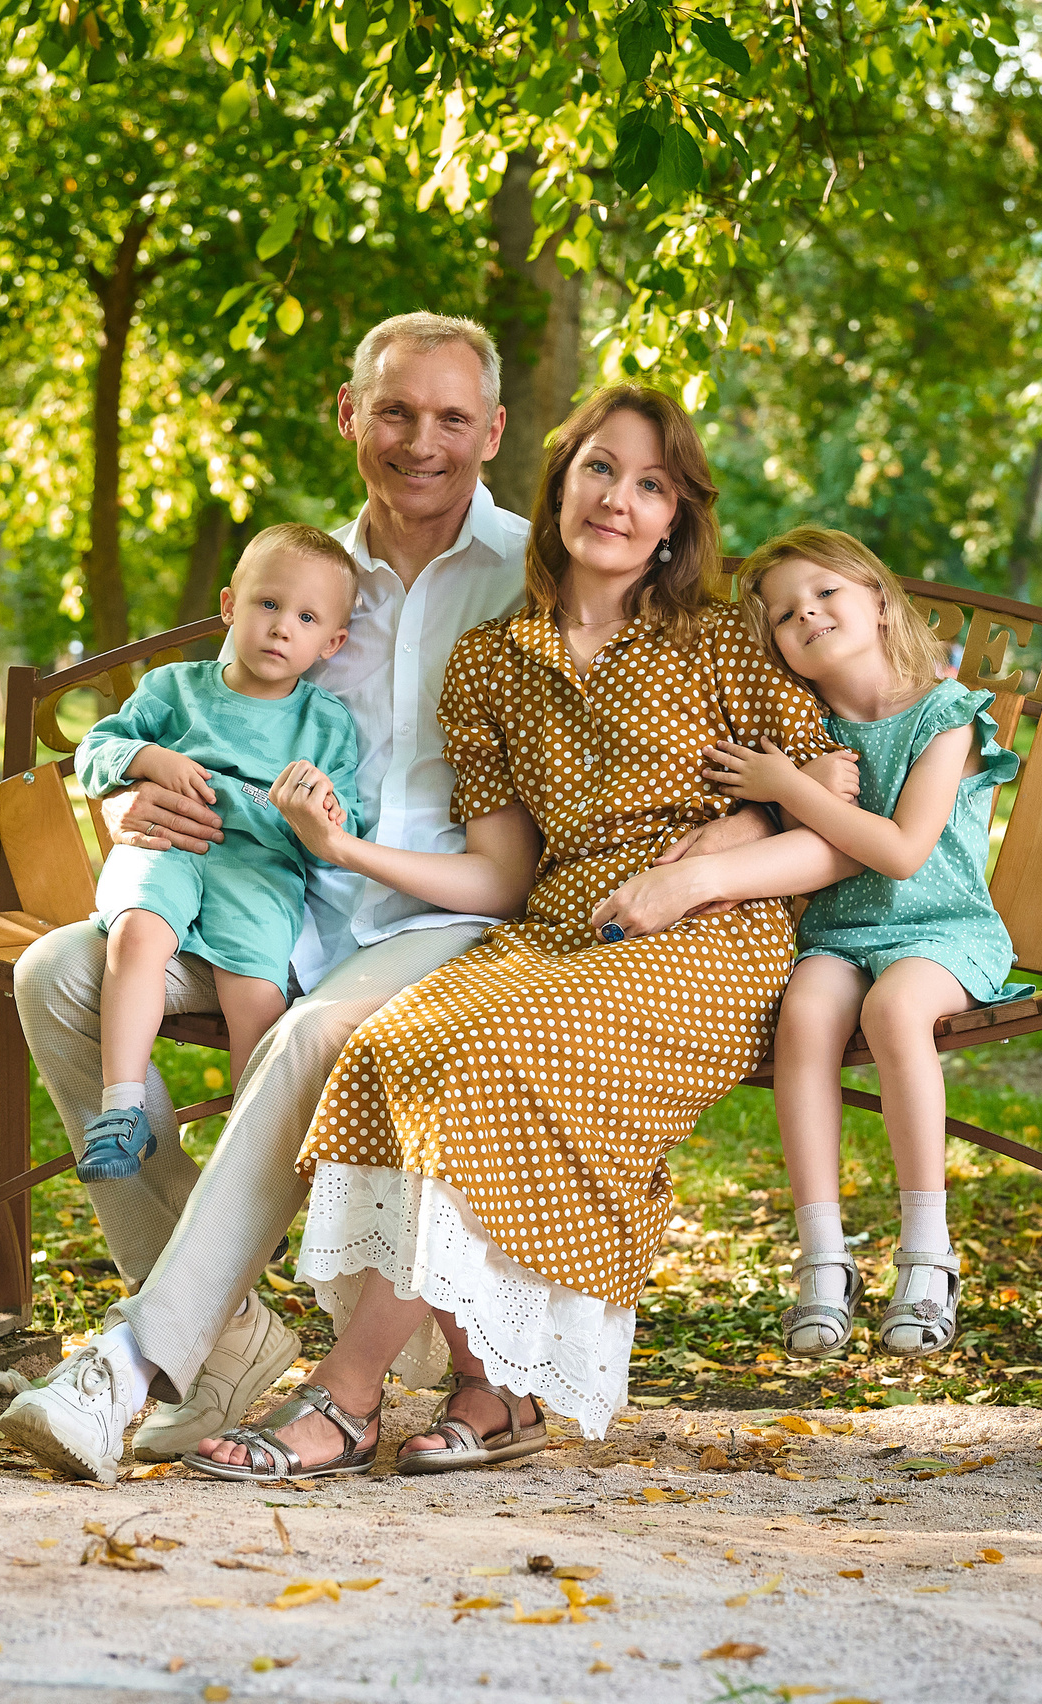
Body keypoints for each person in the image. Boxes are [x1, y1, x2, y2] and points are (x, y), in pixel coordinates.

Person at [0, 315, 783, 1483]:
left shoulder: (533, 572)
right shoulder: (302, 577)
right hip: (270, 896)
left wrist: (727, 842)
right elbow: (201, 715)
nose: (423, 442)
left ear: (495, 432)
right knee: (55, 974)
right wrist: (136, 799)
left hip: (446, 924)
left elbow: (675, 741)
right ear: (348, 414)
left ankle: (136, 1362)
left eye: (453, 418)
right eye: (396, 412)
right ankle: (223, 1330)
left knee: (315, 1033)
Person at [183, 385, 849, 1482]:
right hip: (555, 927)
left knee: (494, 1057)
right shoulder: (490, 660)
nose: (619, 501)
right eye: (600, 469)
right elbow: (503, 864)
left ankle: (345, 1398)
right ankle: (495, 1392)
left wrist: (702, 873)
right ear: (559, 483)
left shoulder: (720, 642)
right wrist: (343, 849)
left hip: (713, 937)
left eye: (651, 485)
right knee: (392, 1047)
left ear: (675, 518)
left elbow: (833, 819)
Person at [601, 528, 1027, 1360]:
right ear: (777, 648)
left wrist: (788, 786)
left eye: (827, 592)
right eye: (785, 614)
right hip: (838, 933)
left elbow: (901, 852)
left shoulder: (946, 716)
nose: (809, 613)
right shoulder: (807, 730)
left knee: (896, 1009)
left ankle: (928, 1255)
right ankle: (824, 1259)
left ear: (879, 600)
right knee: (803, 1016)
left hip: (942, 930)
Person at [69, 529, 366, 1183]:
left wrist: (322, 810)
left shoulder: (324, 723)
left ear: (332, 643)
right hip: (171, 844)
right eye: (268, 604)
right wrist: (148, 758)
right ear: (230, 605)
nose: (282, 627)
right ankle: (121, 1110)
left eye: (307, 618)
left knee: (255, 991)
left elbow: (345, 821)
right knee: (137, 933)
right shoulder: (175, 689)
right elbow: (96, 750)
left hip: (260, 865)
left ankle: (245, 1155)